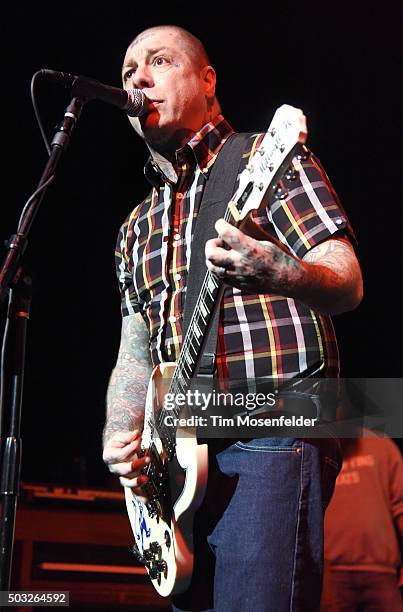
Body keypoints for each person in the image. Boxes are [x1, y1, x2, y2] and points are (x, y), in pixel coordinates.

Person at [102, 25, 363, 612]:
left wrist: (284, 273)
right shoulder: (135, 226)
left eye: (159, 62)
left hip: (270, 430)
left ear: (207, 80)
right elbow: (135, 352)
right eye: (127, 73)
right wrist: (120, 436)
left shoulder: (263, 159)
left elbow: (346, 279)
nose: (137, 79)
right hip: (175, 471)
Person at [321, 431, 403, 611]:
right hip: (330, 574)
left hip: (381, 572)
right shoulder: (318, 445)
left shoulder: (381, 444)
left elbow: (401, 506)